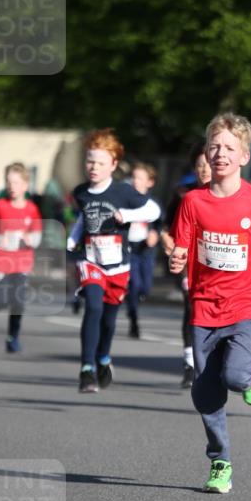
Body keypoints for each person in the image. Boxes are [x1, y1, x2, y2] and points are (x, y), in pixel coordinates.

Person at [169, 113, 251, 493]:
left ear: (244, 156)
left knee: (238, 379)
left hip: (247, 303)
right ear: (206, 152)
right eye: (214, 146)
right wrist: (176, 259)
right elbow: (182, 245)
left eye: (229, 148)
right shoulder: (193, 201)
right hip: (204, 306)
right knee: (205, 395)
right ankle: (220, 461)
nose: (220, 153)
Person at [68, 129, 159, 392]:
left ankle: (103, 357)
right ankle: (86, 369)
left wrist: (127, 216)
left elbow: (153, 210)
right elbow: (84, 219)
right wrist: (73, 239)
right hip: (90, 260)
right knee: (93, 307)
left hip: (118, 265)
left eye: (100, 163)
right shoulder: (81, 192)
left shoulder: (123, 192)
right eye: (90, 161)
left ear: (114, 165)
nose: (93, 167)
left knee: (108, 320)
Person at [160, 143, 212, 387]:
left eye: (208, 164)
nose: (204, 170)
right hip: (187, 262)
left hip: (215, 264)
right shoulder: (184, 194)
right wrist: (166, 240)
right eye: (199, 165)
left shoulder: (224, 196)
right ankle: (190, 363)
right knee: (192, 307)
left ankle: (211, 359)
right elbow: (165, 225)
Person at [0, 164, 42, 352]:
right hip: (1, 260)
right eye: (8, 182)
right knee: (2, 303)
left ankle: (13, 336)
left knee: (19, 302)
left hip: (22, 261)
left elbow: (38, 234)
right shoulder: (0, 206)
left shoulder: (32, 209)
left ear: (25, 185)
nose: (11, 186)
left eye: (16, 182)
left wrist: (29, 239)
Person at [125, 162, 161, 338]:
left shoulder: (153, 203)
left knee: (145, 287)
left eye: (140, 178)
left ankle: (137, 298)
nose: (135, 181)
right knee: (134, 284)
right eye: (133, 177)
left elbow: (161, 223)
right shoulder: (125, 200)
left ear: (150, 182)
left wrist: (155, 233)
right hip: (129, 248)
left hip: (146, 249)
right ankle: (133, 320)